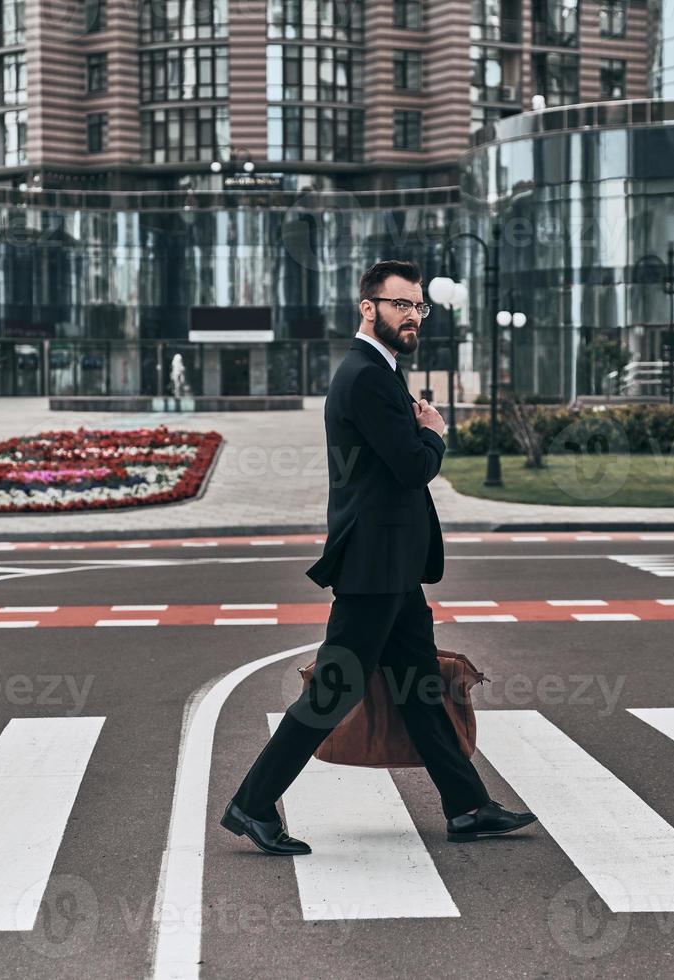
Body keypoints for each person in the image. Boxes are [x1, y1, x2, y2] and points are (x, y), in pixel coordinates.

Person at [221, 259, 538, 855]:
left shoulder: (380, 371)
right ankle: (253, 804)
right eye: (401, 305)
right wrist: (435, 432)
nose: (413, 315)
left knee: (418, 688)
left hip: (392, 568)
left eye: (420, 306)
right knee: (333, 690)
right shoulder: (366, 375)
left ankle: (467, 807)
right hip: (374, 570)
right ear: (369, 308)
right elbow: (412, 467)